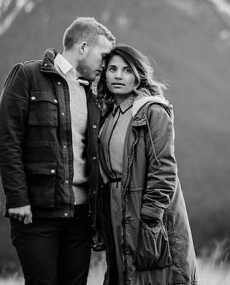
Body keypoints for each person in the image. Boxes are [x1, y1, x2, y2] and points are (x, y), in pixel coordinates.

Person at [0, 17, 115, 285]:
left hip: (81, 216)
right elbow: (6, 140)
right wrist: (17, 198)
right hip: (38, 213)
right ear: (83, 47)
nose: (105, 65)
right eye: (103, 56)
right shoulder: (27, 76)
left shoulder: (93, 93)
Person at [90, 44, 197, 285]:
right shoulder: (108, 114)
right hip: (116, 206)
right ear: (104, 73)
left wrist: (150, 219)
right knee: (124, 275)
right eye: (112, 69)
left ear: (138, 75)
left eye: (126, 70)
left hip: (144, 208)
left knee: (153, 275)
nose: (118, 76)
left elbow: (164, 169)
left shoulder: (152, 111)